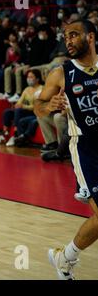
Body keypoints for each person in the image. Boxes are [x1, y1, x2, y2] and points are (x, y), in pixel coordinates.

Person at [34, 20, 98, 280]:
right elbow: (37, 106)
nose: (68, 40)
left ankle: (66, 257)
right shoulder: (61, 73)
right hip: (86, 149)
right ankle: (67, 257)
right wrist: (49, 107)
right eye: (65, 36)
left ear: (91, 37)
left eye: (74, 35)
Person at [0, 69, 43, 146]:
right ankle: (4, 134)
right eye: (28, 77)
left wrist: (23, 106)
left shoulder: (41, 89)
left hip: (34, 111)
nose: (29, 79)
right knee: (7, 112)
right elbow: (20, 101)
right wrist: (18, 104)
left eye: (31, 77)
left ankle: (14, 135)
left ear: (37, 79)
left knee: (19, 110)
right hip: (25, 110)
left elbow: (37, 106)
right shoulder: (27, 89)